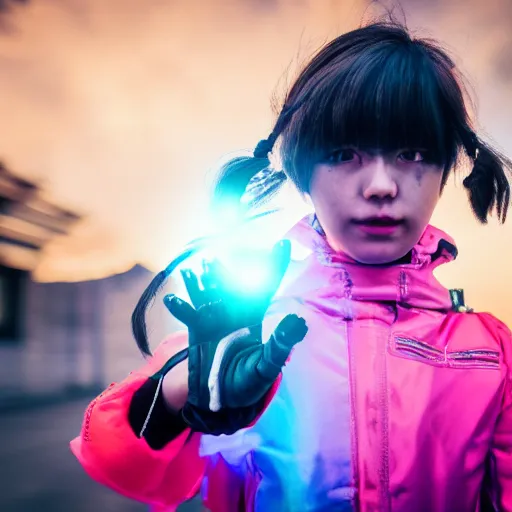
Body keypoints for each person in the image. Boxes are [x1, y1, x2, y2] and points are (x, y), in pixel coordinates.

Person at [70, 20, 512, 512]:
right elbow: (111, 460)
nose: (382, 184)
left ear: (445, 171)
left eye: (412, 153)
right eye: (345, 154)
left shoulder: (493, 352)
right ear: (302, 176)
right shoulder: (247, 333)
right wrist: (182, 392)